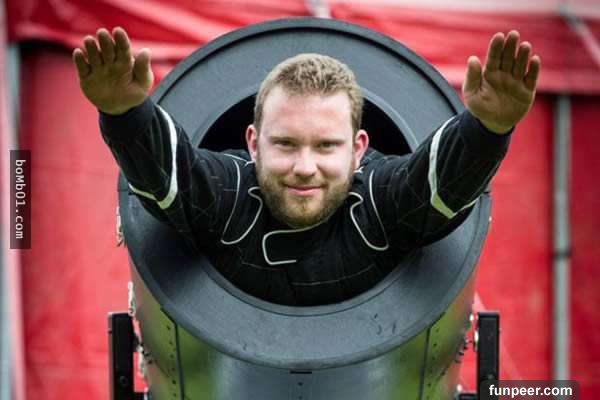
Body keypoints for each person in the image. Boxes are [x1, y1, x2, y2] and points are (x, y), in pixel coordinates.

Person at [73, 27, 540, 306]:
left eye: (326, 146)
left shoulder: (380, 201)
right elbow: (175, 176)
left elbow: (432, 188)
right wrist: (126, 114)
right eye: (285, 143)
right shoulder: (228, 193)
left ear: (358, 149)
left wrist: (486, 129)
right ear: (252, 143)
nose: (304, 167)